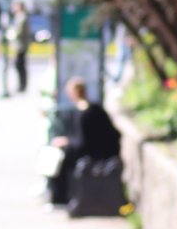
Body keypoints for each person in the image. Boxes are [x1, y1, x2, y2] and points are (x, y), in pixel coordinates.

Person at [47, 77, 122, 206]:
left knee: (61, 158)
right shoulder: (92, 108)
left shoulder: (86, 112)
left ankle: (60, 197)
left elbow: (83, 142)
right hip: (98, 149)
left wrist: (67, 143)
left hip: (97, 153)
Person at [11, 2, 32, 94]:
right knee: (19, 66)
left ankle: (22, 85)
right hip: (19, 45)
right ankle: (21, 85)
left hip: (21, 46)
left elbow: (18, 32)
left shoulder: (22, 17)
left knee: (20, 65)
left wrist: (11, 34)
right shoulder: (18, 16)